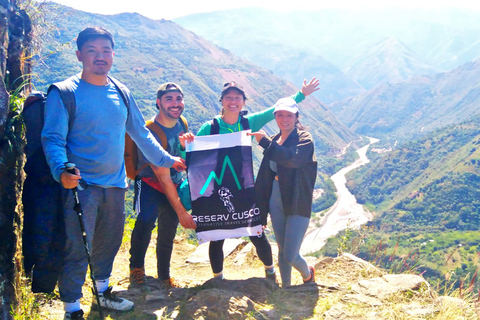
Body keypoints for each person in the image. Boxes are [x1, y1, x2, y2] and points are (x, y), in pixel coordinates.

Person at [41, 27, 186, 320]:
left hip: (115, 184)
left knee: (109, 241)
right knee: (76, 245)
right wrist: (61, 170)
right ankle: (71, 307)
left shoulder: (121, 91)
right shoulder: (64, 92)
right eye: (92, 51)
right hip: (80, 186)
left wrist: (168, 159)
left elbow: (141, 133)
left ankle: (102, 292)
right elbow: (52, 138)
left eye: (106, 50)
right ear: (80, 54)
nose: (100, 56)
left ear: (113, 55)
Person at [196, 78, 319, 280]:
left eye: (237, 98)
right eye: (228, 98)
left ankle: (270, 272)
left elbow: (275, 111)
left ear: (243, 101)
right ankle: (218, 279)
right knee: (217, 235)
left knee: (255, 231)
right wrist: (187, 143)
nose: (233, 101)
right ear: (222, 101)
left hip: (243, 186)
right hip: (218, 188)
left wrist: (301, 94)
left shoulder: (249, 122)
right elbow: (194, 154)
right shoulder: (209, 127)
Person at [128, 82, 196, 292]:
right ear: (159, 103)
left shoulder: (181, 123)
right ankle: (136, 269)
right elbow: (161, 173)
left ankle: (164, 276)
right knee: (146, 221)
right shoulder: (152, 131)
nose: (175, 104)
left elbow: (182, 158)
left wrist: (187, 148)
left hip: (173, 181)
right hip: (150, 182)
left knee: (168, 230)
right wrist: (182, 211)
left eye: (178, 99)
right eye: (169, 99)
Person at [249, 97, 318, 288]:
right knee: (280, 248)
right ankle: (286, 287)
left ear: (296, 117)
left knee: (291, 254)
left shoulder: (304, 139)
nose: (284, 119)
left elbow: (292, 160)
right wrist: (259, 211)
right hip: (276, 198)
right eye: (280, 115)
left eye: (289, 115)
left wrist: (265, 144)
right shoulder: (275, 139)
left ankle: (307, 274)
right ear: (275, 117)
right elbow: (265, 177)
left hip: (297, 199)